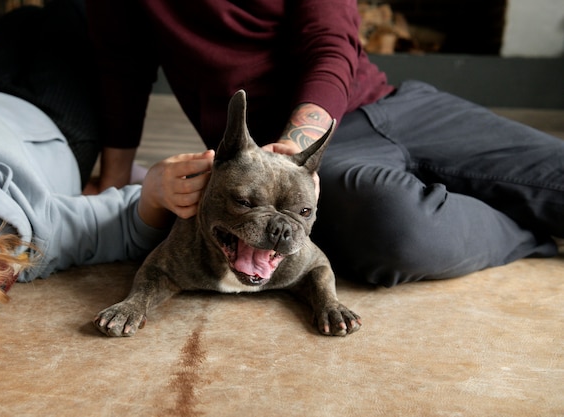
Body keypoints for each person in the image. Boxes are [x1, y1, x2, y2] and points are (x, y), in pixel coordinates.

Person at [85, 0, 564, 287]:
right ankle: (532, 231)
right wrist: (111, 189)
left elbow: (332, 44)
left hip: (389, 109)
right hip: (295, 162)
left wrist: (296, 151)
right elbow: (120, 69)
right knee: (398, 231)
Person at [0, 0, 213, 361]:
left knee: (21, 19)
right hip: (51, 121)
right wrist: (156, 192)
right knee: (79, 17)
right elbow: (119, 225)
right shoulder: (26, 240)